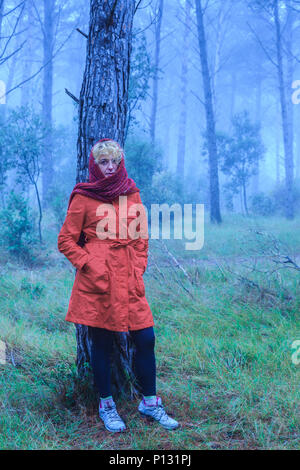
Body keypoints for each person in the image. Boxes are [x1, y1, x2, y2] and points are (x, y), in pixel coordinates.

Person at [57, 138, 179, 433]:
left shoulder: (131, 193)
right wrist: (91, 264)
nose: (110, 167)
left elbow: (141, 238)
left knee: (146, 338)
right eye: (103, 162)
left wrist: (138, 269)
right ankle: (107, 406)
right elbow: (65, 240)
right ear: (94, 165)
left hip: (129, 278)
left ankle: (150, 403)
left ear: (121, 162)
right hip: (98, 281)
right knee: (101, 344)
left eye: (114, 161)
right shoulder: (83, 197)